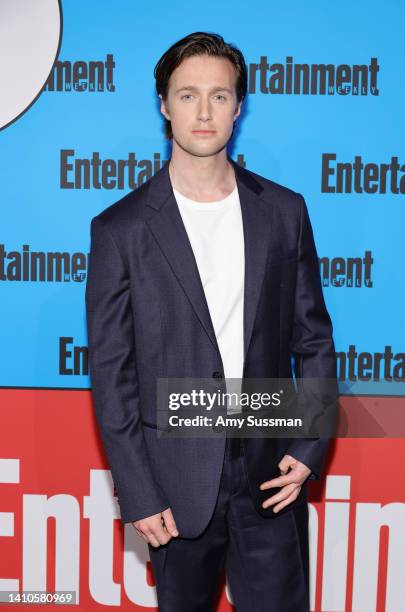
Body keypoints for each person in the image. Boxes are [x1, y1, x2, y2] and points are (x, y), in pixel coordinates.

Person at [85, 31, 338, 612]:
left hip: (272, 474)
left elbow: (315, 339)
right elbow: (113, 377)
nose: (204, 112)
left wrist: (309, 443)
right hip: (176, 485)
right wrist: (139, 493)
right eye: (188, 95)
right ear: (164, 104)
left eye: (220, 96)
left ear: (239, 106)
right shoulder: (119, 230)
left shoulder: (283, 211)